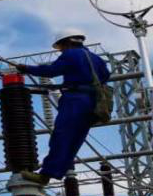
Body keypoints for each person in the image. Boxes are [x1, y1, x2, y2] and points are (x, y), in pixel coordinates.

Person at [13, 28, 110, 185]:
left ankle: (46, 174)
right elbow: (106, 76)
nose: (61, 50)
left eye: (60, 47)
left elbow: (51, 71)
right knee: (74, 139)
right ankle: (53, 172)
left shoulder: (70, 54)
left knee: (62, 136)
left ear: (66, 43)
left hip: (75, 101)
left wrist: (26, 69)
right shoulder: (96, 59)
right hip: (93, 104)